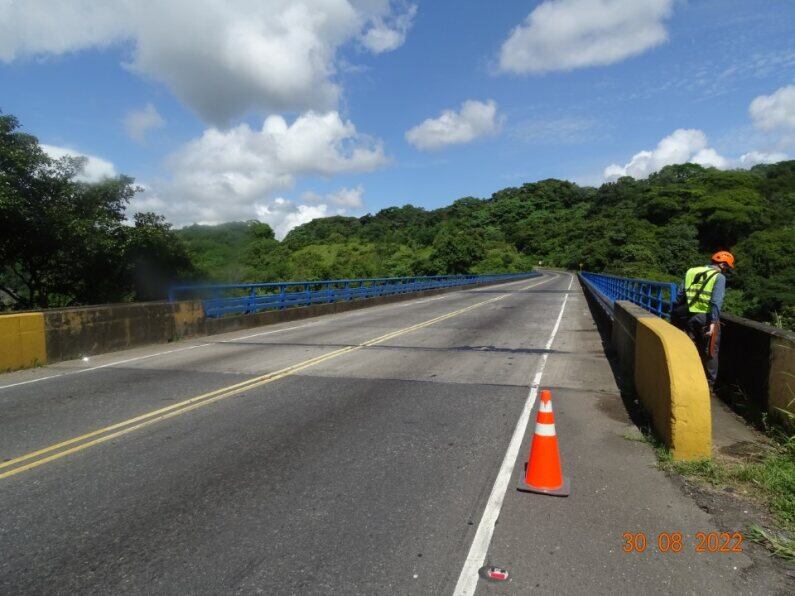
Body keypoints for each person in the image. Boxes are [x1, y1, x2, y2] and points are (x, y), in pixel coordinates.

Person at [672, 251, 734, 390]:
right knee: (711, 351)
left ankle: (686, 377)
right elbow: (716, 302)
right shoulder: (719, 277)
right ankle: (709, 385)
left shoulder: (691, 271)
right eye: (727, 268)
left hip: (688, 316)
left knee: (688, 346)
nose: (727, 271)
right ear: (723, 265)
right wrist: (713, 323)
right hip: (705, 318)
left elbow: (679, 295)